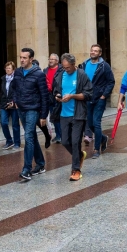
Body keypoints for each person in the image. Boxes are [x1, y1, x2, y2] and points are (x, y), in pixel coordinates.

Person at [51, 53, 93, 181]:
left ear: (74, 65)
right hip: (63, 114)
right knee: (65, 141)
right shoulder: (60, 75)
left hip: (78, 114)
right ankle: (79, 156)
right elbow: (55, 91)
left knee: (75, 142)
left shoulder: (81, 75)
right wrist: (58, 96)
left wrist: (72, 96)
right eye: (64, 67)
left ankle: (76, 170)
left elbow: (88, 94)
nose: (66, 70)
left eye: (68, 67)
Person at [13, 48, 49, 181]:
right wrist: (15, 100)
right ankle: (40, 164)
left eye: (24, 58)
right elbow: (14, 88)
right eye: (21, 57)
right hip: (21, 108)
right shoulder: (17, 72)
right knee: (32, 136)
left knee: (28, 136)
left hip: (33, 109)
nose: (22, 60)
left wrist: (44, 115)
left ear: (31, 59)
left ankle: (26, 169)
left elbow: (44, 96)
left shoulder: (38, 74)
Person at [79, 44, 115, 158]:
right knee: (90, 124)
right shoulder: (84, 64)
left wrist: (104, 95)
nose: (93, 52)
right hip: (87, 98)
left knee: (96, 123)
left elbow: (111, 81)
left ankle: (96, 149)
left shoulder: (104, 66)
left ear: (100, 53)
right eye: (92, 50)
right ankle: (103, 138)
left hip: (99, 99)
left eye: (96, 51)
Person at [0, 61, 20, 150]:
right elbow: (1, 93)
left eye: (9, 68)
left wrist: (14, 102)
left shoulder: (17, 79)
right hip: (4, 104)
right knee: (3, 122)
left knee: (15, 124)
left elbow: (18, 92)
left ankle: (17, 142)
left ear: (13, 69)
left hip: (13, 104)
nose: (7, 70)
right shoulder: (3, 79)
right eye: (6, 68)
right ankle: (9, 141)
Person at [32, 59, 53, 148]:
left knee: (40, 121)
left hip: (40, 102)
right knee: (33, 123)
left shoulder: (41, 75)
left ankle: (47, 135)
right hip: (30, 103)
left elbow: (49, 87)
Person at [44, 53, 62, 144]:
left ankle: (62, 135)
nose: (50, 61)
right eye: (49, 59)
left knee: (60, 117)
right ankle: (58, 135)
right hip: (49, 96)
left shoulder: (61, 70)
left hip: (59, 95)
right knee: (53, 117)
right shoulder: (45, 70)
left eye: (52, 59)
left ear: (57, 61)